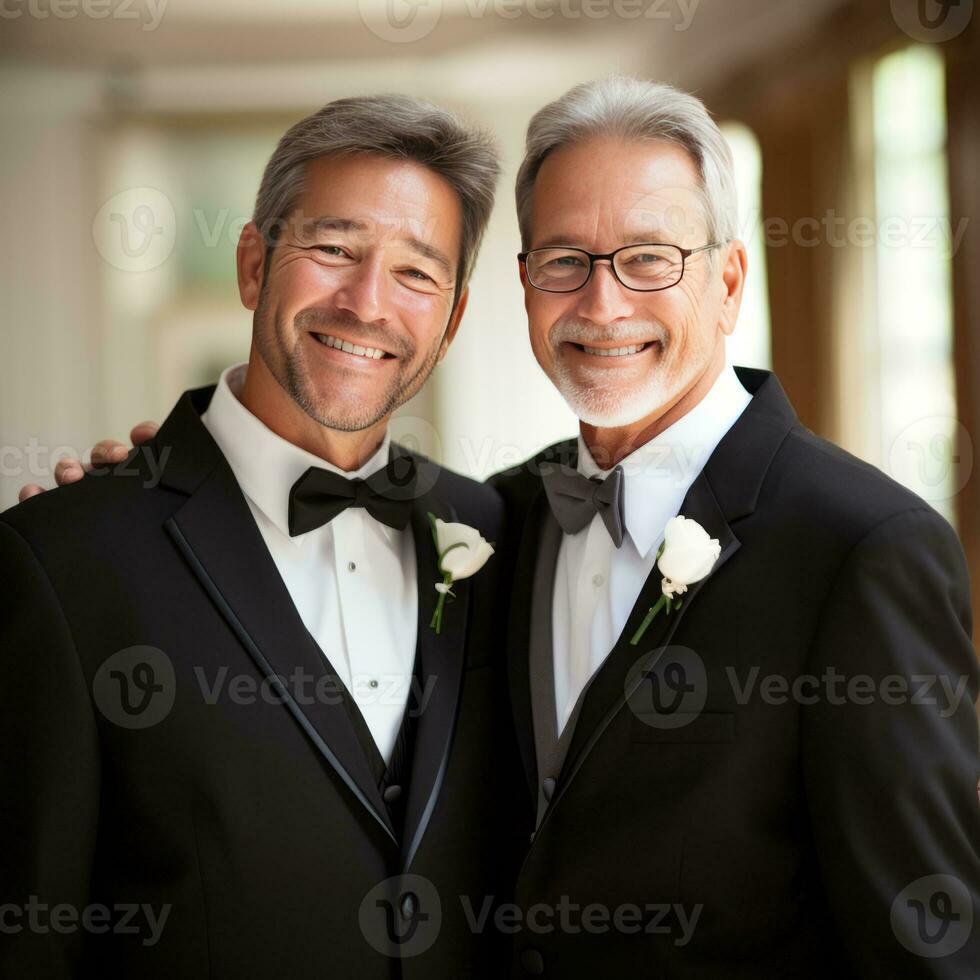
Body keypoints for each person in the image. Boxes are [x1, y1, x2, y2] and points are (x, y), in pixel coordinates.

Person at [21, 77, 980, 977]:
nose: (603, 304)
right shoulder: (497, 520)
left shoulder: (862, 550)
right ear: (253, 262)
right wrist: (118, 506)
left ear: (729, 281)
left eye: (649, 258)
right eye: (565, 261)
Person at [1, 94, 524, 978]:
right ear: (254, 264)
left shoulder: (499, 534)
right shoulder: (59, 561)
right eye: (334, 249)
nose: (366, 303)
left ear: (453, 318)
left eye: (415, 274)